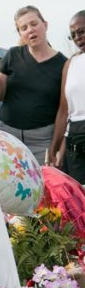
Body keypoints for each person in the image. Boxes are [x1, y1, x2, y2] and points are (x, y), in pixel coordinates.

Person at [0, 6, 68, 166]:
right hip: (7, 135)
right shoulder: (12, 55)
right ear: (20, 33)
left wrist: (57, 147)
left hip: (43, 140)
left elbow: (63, 111)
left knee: (43, 188)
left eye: (34, 24)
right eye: (24, 28)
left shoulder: (63, 64)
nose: (30, 30)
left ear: (45, 25)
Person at [51, 11, 85, 179]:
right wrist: (55, 147)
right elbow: (64, 110)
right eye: (73, 35)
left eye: (81, 31)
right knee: (79, 195)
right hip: (76, 137)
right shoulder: (71, 63)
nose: (78, 38)